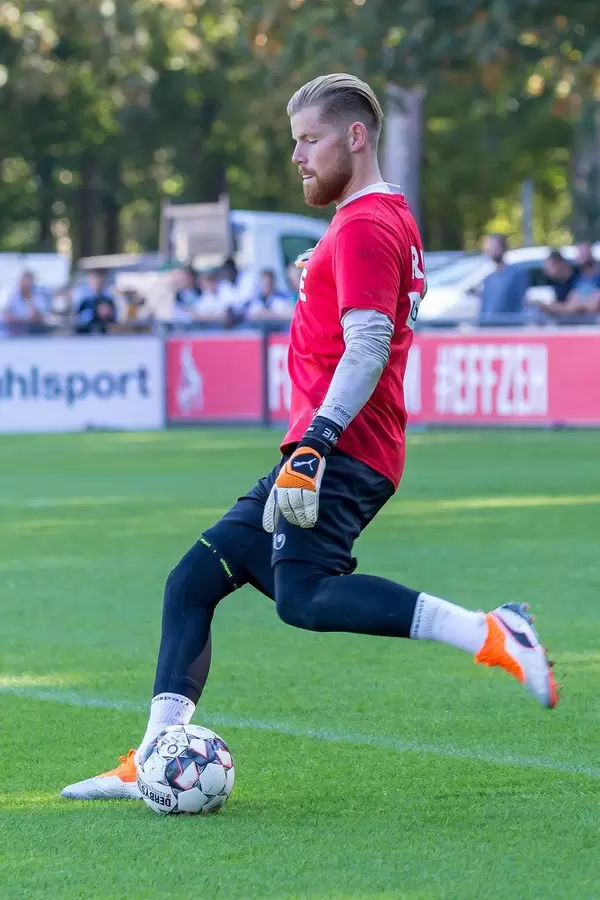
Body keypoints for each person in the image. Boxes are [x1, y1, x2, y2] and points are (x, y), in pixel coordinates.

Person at [61, 73, 558, 802]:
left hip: (341, 449)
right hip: (339, 445)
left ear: (355, 137)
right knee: (192, 582)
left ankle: (493, 632)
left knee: (306, 599)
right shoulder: (376, 217)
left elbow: (368, 344)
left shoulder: (360, 226)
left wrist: (315, 445)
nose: (297, 156)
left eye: (309, 139)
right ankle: (150, 757)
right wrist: (318, 275)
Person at [479, 235, 530, 323]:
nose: (490, 249)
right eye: (488, 246)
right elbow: (485, 307)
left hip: (509, 328)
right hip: (489, 328)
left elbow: (522, 302)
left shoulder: (517, 274)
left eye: (493, 246)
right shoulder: (488, 279)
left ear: (503, 247)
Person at [74, 269, 118, 334]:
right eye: (95, 277)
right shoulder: (82, 297)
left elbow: (115, 318)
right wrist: (95, 312)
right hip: (84, 336)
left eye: (100, 277)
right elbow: (79, 319)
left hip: (105, 336)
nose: (98, 281)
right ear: (89, 279)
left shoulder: (109, 298)